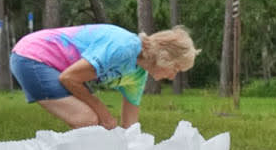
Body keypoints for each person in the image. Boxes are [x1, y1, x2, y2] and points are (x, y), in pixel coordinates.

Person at [11, 24, 196, 131]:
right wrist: (103, 111)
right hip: (32, 57)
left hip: (49, 65)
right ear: (165, 58)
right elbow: (69, 78)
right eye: (176, 69)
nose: (172, 77)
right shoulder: (125, 48)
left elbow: (130, 126)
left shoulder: (138, 75)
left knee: (96, 125)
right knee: (88, 119)